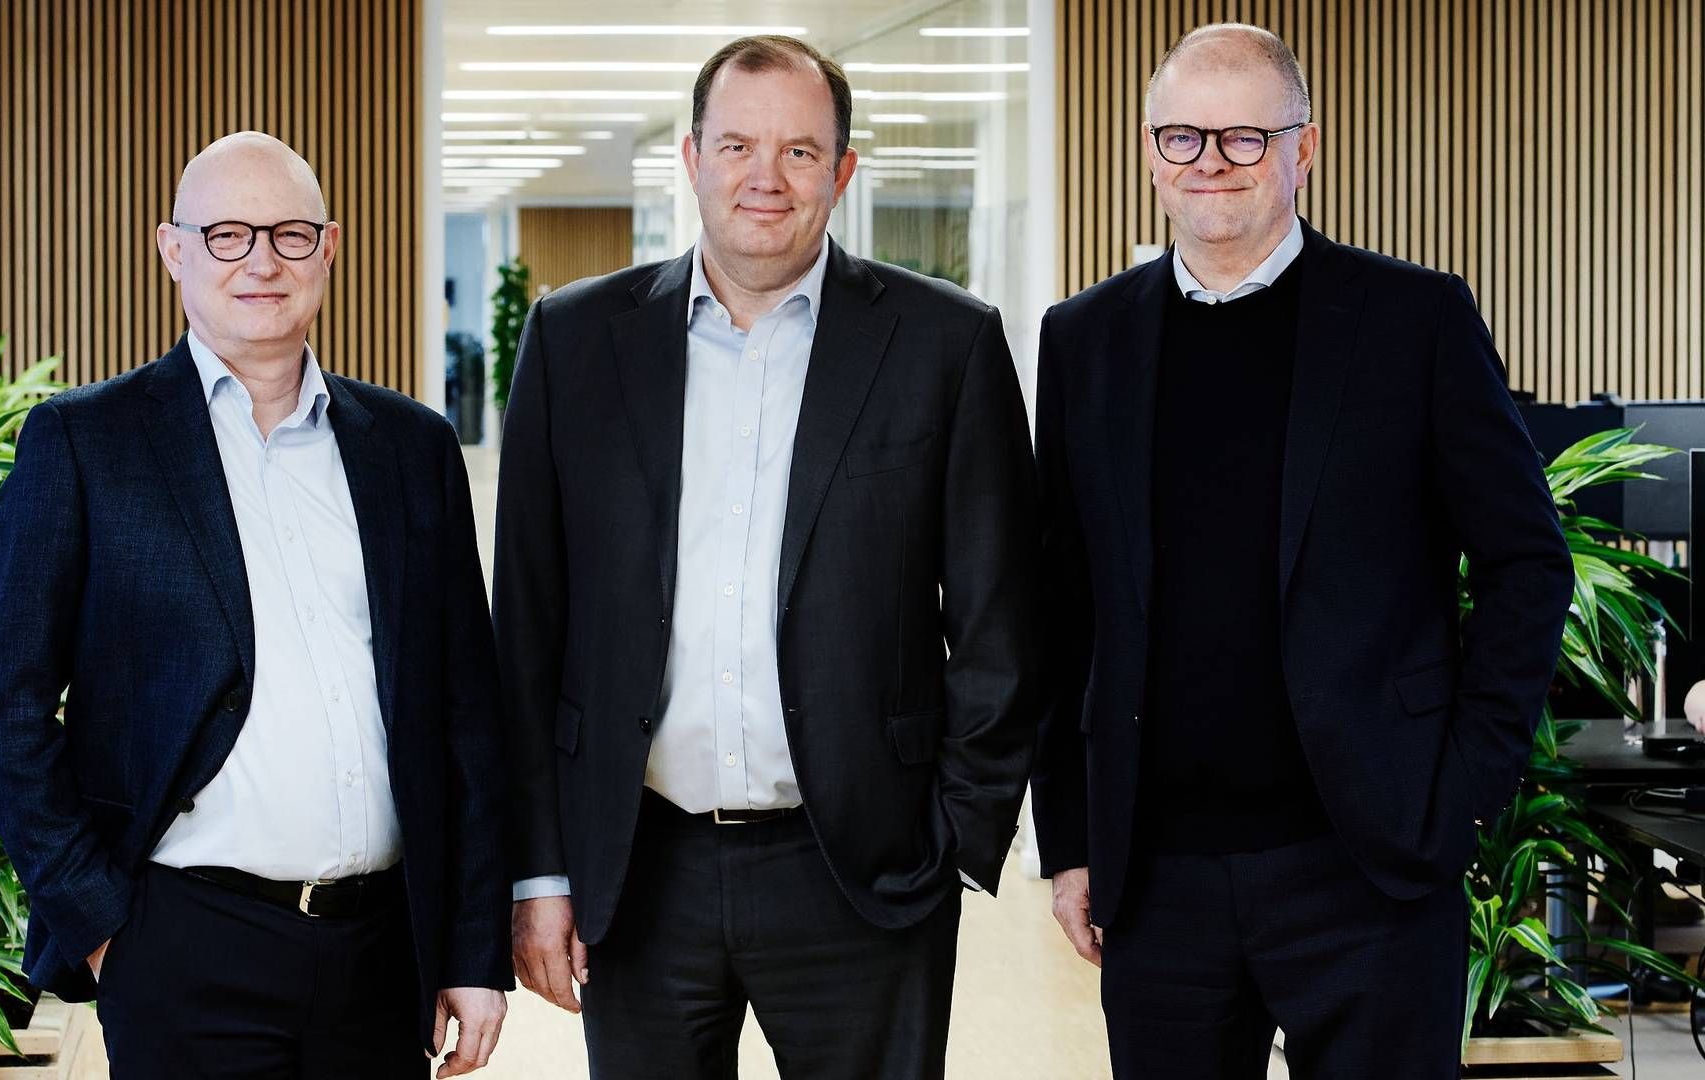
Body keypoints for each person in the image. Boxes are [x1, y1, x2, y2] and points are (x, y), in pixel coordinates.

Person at [492, 34, 1042, 1080]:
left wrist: (955, 839)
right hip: (639, 867)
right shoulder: (576, 342)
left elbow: (999, 619)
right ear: (691, 158)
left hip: (863, 870)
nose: (764, 177)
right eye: (738, 144)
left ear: (841, 173)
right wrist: (540, 873)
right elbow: (529, 626)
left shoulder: (944, 344)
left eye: (799, 152)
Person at [1030, 24, 1574, 1079]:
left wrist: (1461, 793)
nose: (1211, 163)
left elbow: (1526, 562)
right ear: (1149, 152)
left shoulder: (1412, 318)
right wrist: (1072, 841)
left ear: (1304, 150)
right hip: (1162, 881)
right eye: (1181, 137)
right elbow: (1064, 606)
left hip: (1368, 861)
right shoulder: (1083, 339)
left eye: (1245, 136)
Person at [0, 131, 509, 1078]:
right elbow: (3, 709)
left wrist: (470, 949)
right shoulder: (86, 443)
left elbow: (464, 714)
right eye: (226, 235)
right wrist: (101, 927)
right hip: (182, 946)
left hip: (380, 954)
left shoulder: (412, 450)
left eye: (291, 234)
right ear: (173, 251)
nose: (261, 260)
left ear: (329, 250)